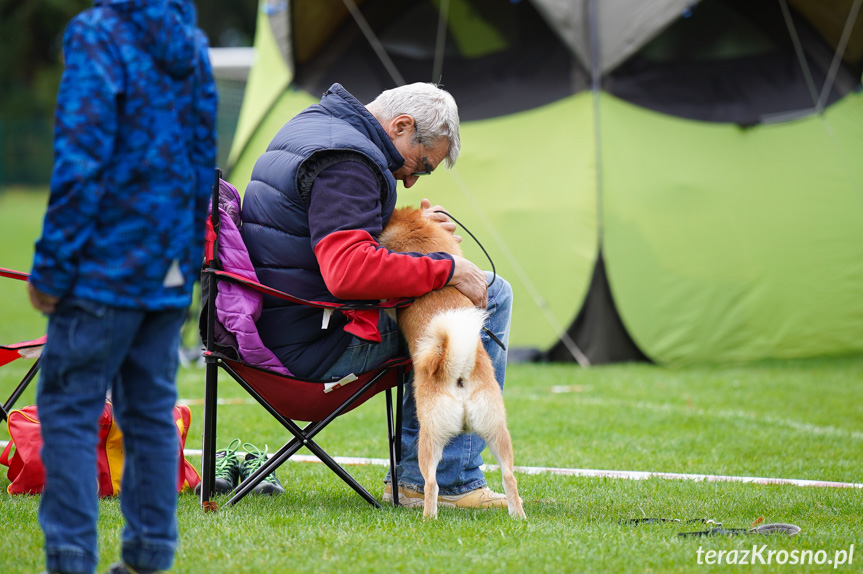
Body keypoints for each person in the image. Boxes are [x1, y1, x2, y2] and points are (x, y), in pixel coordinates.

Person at [241, 82, 513, 509]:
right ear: (402, 125)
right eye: (420, 165)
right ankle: (445, 482)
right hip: (312, 351)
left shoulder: (315, 128)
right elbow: (348, 271)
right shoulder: (349, 161)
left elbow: (318, 239)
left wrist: (416, 228)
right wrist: (448, 266)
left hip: (279, 329)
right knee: (488, 296)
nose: (410, 181)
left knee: (454, 294)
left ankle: (421, 476)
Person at [27, 0, 217, 572]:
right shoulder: (192, 42)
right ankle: (149, 556)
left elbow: (81, 160)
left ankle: (69, 558)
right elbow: (202, 160)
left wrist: (53, 267)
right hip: (166, 267)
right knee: (152, 412)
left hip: (102, 265)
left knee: (68, 411)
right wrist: (184, 260)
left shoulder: (97, 33)